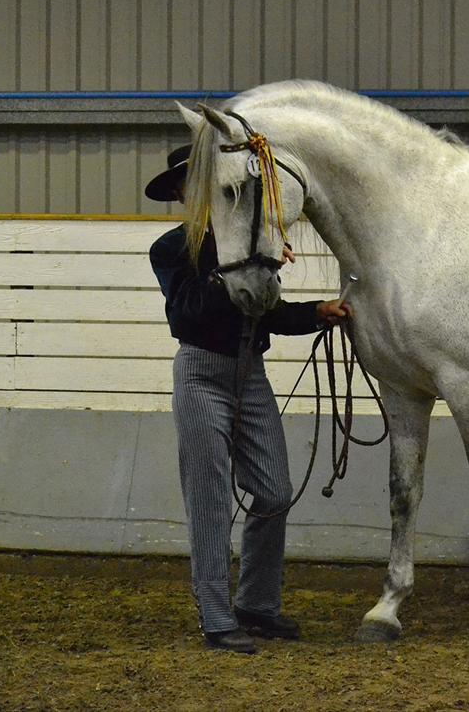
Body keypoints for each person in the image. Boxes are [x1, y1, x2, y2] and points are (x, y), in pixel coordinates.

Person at [146, 145, 349, 654]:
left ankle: (256, 605)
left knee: (275, 492)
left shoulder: (253, 242)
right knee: (211, 501)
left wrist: (316, 313)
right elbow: (186, 313)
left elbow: (270, 315)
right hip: (200, 375)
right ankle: (216, 616)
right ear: (181, 196)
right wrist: (236, 265)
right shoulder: (170, 250)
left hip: (249, 375)